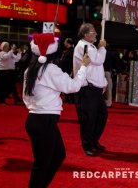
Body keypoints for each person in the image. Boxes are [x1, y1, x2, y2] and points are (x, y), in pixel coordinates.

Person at [23, 33, 90, 188]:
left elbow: (26, 97)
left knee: (57, 156)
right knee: (43, 164)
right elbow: (73, 86)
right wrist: (84, 67)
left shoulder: (30, 70)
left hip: (36, 119)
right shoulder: (51, 69)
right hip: (43, 120)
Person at [73, 23, 108, 156]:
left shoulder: (90, 46)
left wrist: (103, 82)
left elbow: (98, 67)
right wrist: (102, 48)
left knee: (101, 116)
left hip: (95, 88)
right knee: (88, 119)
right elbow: (98, 60)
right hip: (87, 88)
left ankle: (93, 141)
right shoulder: (84, 46)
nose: (96, 34)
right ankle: (87, 144)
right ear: (86, 34)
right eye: (93, 32)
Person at [59, 38, 75, 103]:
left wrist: (72, 71)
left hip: (69, 70)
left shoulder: (72, 51)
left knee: (69, 85)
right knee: (66, 84)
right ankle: (67, 98)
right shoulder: (67, 50)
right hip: (65, 70)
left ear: (68, 43)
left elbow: (73, 62)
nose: (64, 43)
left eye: (65, 41)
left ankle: (70, 99)